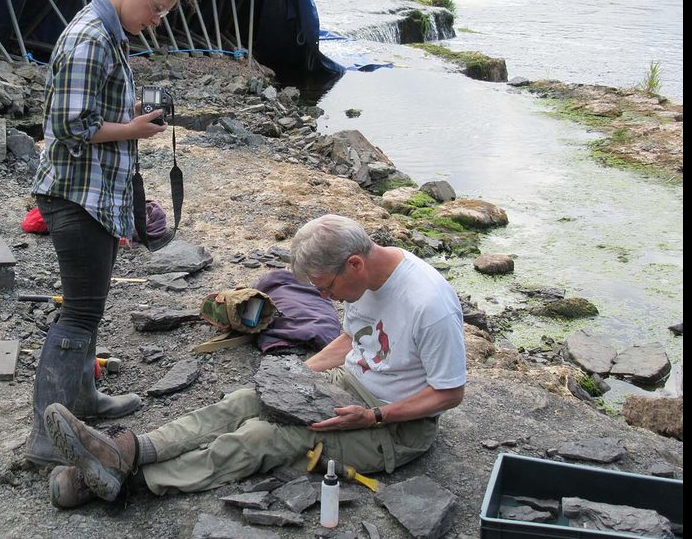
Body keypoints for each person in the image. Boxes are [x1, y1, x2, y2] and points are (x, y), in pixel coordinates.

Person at [41, 214, 467, 507]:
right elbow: (349, 339)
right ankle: (126, 450)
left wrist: (373, 416)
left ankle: (127, 483)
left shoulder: (428, 304)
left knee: (265, 437)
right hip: (349, 386)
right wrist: (297, 378)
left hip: (395, 428)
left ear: (354, 263)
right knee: (244, 401)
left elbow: (449, 393)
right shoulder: (362, 281)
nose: (325, 298)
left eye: (326, 286)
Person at [24, 0, 193, 467]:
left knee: (89, 310)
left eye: (165, 13)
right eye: (157, 8)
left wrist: (134, 113)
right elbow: (67, 125)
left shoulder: (113, 32)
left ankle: (83, 399)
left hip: (94, 195)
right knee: (77, 315)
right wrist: (135, 129)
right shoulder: (91, 37)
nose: (158, 19)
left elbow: (92, 106)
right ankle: (47, 437)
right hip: (76, 198)